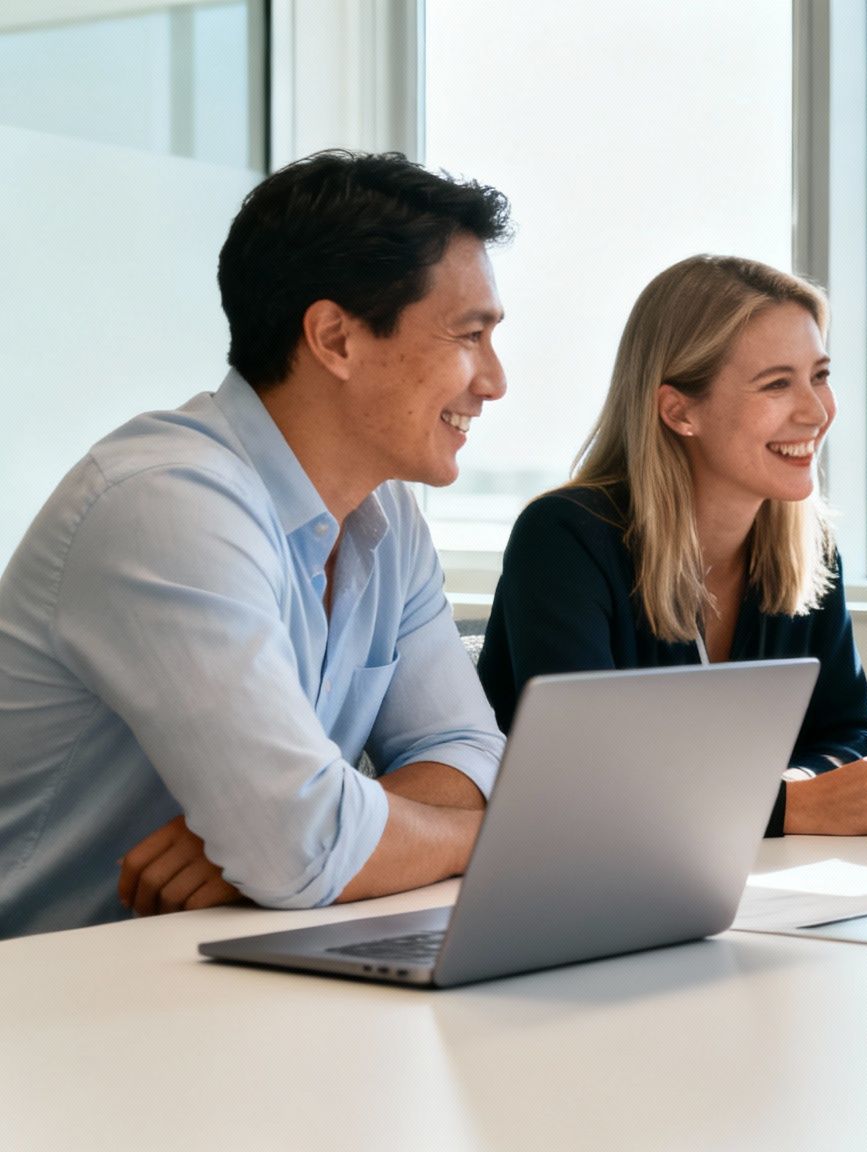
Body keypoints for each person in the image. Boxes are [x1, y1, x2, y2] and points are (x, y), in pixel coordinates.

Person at [0, 151, 512, 939]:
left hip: (219, 970)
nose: (494, 381)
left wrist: (318, 831)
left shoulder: (388, 517)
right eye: (470, 336)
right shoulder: (166, 503)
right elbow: (296, 847)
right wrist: (492, 841)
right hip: (49, 998)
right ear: (335, 338)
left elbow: (469, 752)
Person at [477, 255, 867, 837]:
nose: (816, 411)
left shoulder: (810, 549)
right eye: (777, 384)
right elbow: (581, 774)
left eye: (820, 375)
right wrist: (787, 807)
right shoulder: (562, 539)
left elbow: (851, 737)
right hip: (570, 883)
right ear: (680, 410)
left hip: (740, 878)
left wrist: (777, 794)